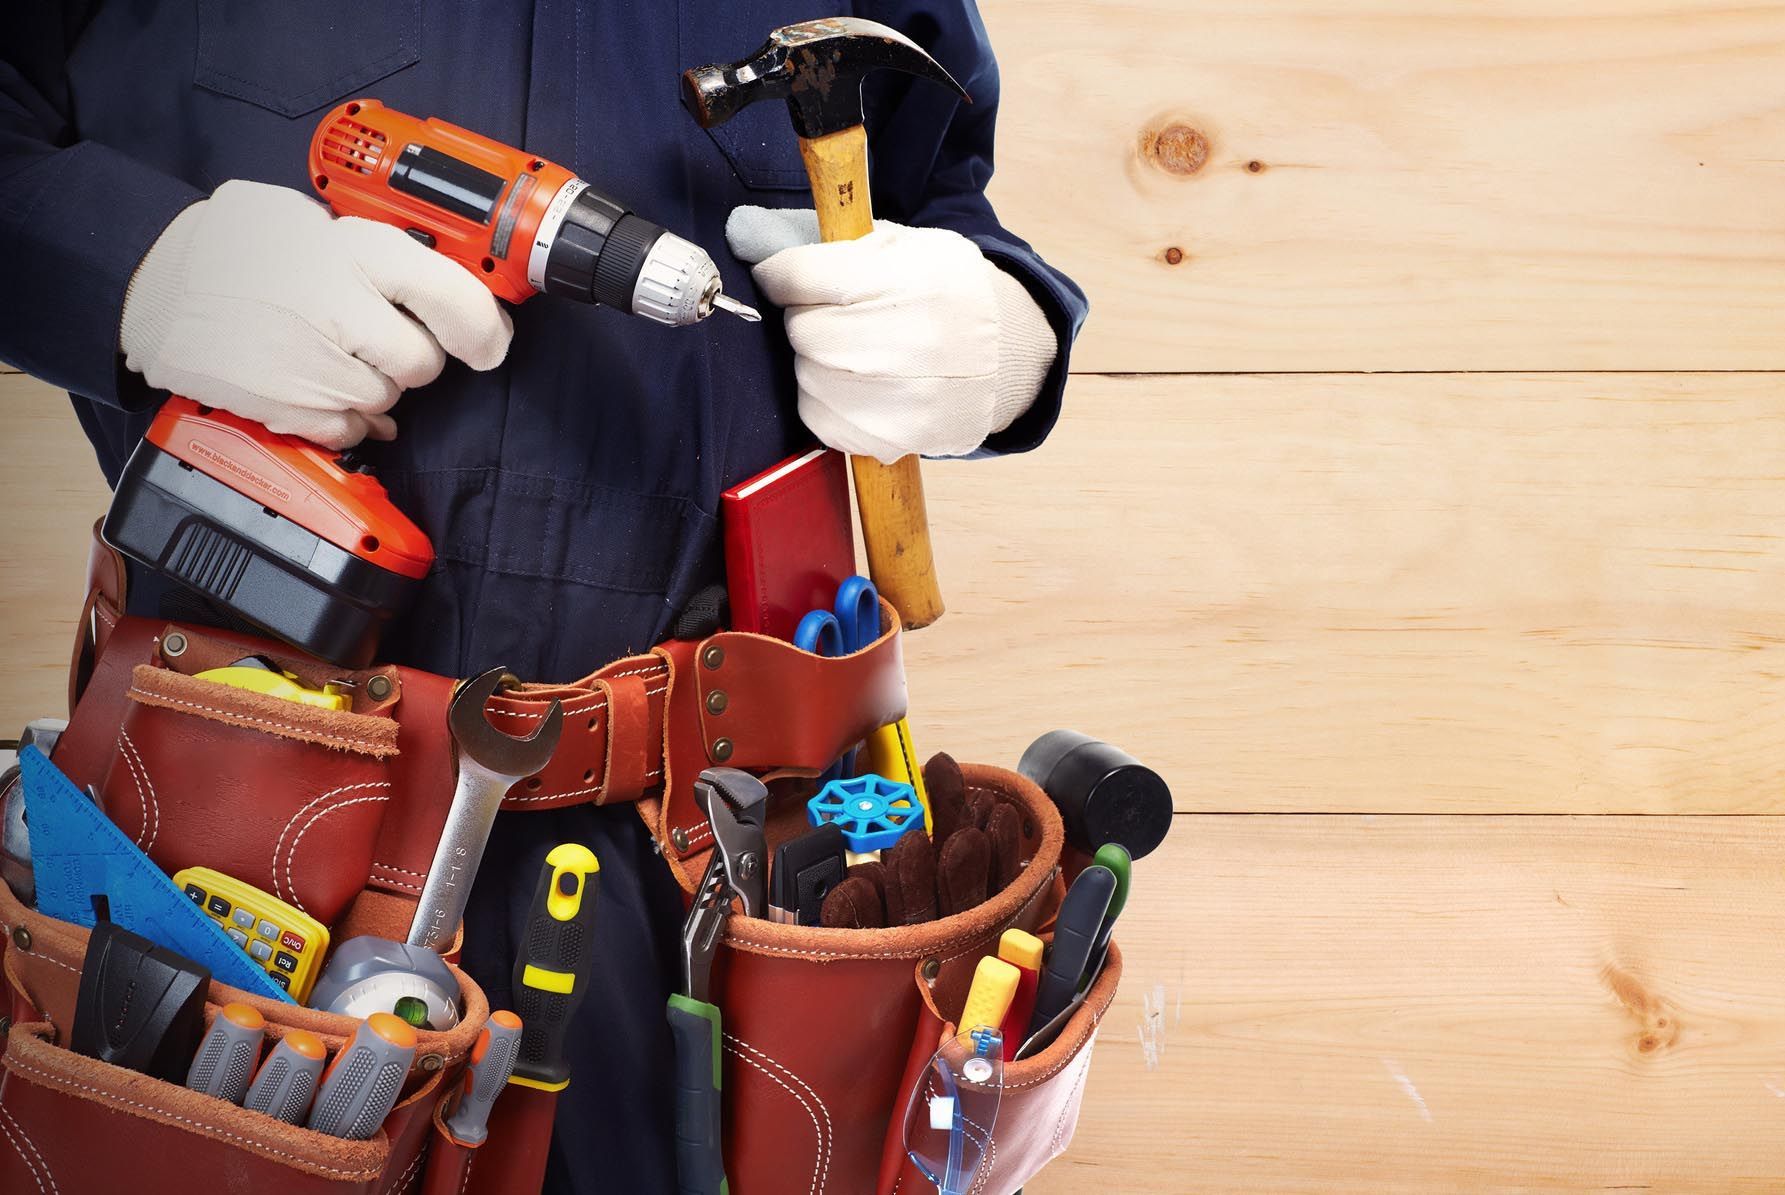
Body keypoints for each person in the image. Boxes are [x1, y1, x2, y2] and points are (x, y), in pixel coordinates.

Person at [0, 4, 1085, 1189]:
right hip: (232, 839)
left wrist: (1005, 334)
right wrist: (133, 268)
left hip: (716, 871)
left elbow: (936, 192)